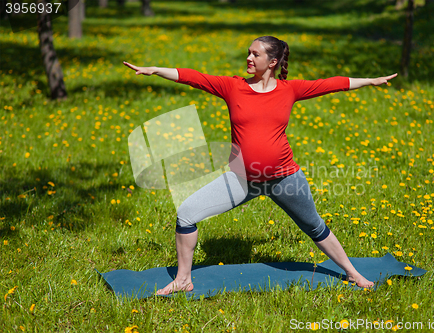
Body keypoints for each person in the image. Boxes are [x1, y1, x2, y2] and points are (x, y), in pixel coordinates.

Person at [123, 35, 397, 295]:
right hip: (241, 179)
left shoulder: (290, 90)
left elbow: (332, 83)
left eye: (256, 53)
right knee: (186, 214)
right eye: (249, 52)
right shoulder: (233, 87)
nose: (249, 57)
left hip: (284, 178)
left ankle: (352, 272)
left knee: (315, 227)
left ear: (273, 62)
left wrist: (371, 81)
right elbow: (195, 77)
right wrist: (156, 69)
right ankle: (183, 280)